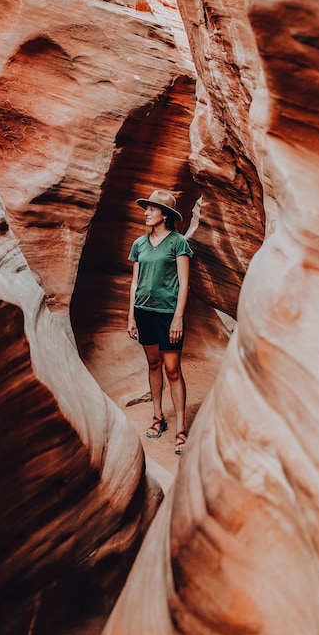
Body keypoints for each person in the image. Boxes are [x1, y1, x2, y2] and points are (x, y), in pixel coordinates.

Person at [127, 189, 193, 455]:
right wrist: (131, 315)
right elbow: (134, 282)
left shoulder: (178, 243)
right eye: (146, 209)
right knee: (153, 363)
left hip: (167, 313)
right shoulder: (138, 245)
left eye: (152, 209)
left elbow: (185, 283)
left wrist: (178, 318)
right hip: (143, 311)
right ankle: (158, 417)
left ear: (164, 215)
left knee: (172, 369)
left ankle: (180, 429)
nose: (146, 213)